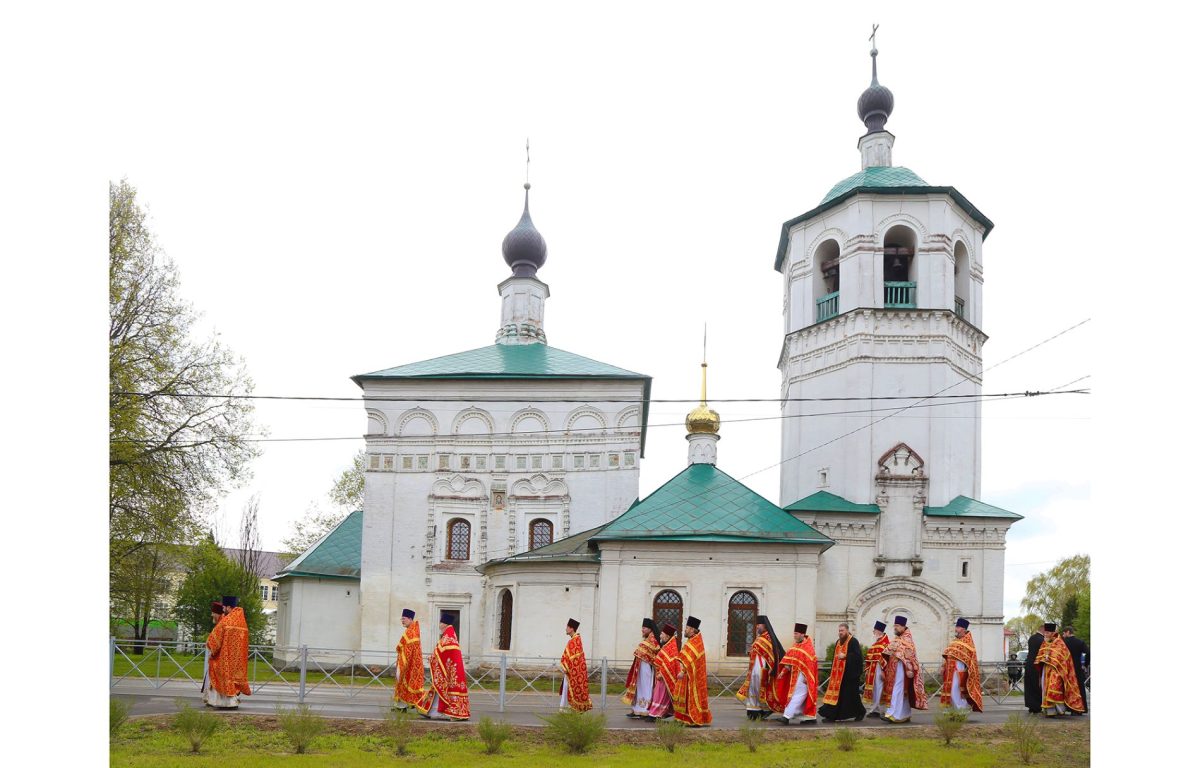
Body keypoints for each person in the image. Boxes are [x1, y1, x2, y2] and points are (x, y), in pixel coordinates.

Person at [414, 613, 470, 720]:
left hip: (448, 672)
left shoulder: (447, 638)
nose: (439, 625)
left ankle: (447, 713)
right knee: (439, 689)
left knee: (443, 688)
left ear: (444, 624)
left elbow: (441, 653)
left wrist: (433, 658)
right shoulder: (450, 636)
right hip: (452, 670)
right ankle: (432, 711)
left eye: (440, 623)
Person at [202, 596, 251, 709]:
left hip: (225, 657)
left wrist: (211, 649)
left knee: (219, 673)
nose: (223, 609)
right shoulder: (241, 621)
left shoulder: (226, 621)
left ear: (229, 607)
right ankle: (231, 701)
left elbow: (214, 641)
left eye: (224, 607)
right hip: (239, 659)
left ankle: (226, 703)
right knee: (233, 680)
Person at [736, 615, 785, 720]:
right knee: (752, 690)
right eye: (757, 625)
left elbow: (772, 655)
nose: (757, 626)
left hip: (762, 669)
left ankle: (762, 710)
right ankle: (753, 711)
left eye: (759, 625)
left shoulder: (768, 638)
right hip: (754, 669)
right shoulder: (760, 638)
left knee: (760, 690)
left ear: (765, 626)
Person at [881, 615, 927, 723]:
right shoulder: (898, 639)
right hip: (895, 668)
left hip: (902, 669)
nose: (895, 628)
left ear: (903, 626)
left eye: (897, 626)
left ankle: (893, 714)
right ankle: (905, 714)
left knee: (898, 690)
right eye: (894, 626)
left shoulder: (907, 639)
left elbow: (909, 655)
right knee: (901, 691)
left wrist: (909, 668)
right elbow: (888, 650)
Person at [1034, 622, 1085, 717]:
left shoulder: (1059, 642)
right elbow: (1040, 654)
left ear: (1053, 633)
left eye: (1048, 633)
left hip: (1057, 670)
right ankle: (1050, 712)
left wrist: (1051, 659)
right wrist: (1042, 659)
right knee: (1046, 689)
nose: (1046, 635)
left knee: (1054, 688)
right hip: (1046, 669)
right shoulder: (1044, 642)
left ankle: (1059, 710)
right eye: (1045, 633)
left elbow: (1062, 657)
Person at [819, 622, 866, 722]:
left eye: (842, 631)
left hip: (850, 676)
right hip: (838, 676)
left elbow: (858, 657)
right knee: (837, 696)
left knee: (852, 697)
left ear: (847, 631)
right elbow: (835, 658)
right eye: (839, 631)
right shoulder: (838, 642)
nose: (840, 633)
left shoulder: (853, 641)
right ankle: (831, 716)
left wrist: (845, 656)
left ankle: (860, 712)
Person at [772, 622, 818, 725]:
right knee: (799, 697)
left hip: (803, 678)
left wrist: (807, 678)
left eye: (796, 634)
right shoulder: (795, 646)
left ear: (802, 634)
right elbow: (789, 663)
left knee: (797, 696)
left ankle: (786, 716)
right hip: (794, 676)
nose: (794, 635)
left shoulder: (808, 648)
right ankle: (809, 718)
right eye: (794, 633)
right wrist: (783, 672)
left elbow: (810, 665)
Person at [674, 616, 712, 726]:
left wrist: (683, 671)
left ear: (692, 629)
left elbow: (691, 660)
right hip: (690, 674)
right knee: (686, 697)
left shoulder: (695, 641)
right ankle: (684, 718)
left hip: (692, 674)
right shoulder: (693, 640)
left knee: (692, 696)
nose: (685, 630)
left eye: (687, 628)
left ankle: (693, 719)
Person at [940, 618, 983, 714]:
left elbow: (970, 659)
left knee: (956, 690)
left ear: (963, 629)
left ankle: (961, 711)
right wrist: (943, 666)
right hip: (949, 670)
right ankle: (951, 711)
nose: (956, 629)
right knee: (949, 690)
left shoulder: (968, 642)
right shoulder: (955, 641)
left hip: (959, 670)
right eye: (956, 627)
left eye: (958, 627)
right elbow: (949, 655)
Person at [622, 618, 660, 719]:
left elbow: (655, 655)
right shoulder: (646, 640)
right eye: (642, 628)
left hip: (647, 669)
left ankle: (645, 710)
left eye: (644, 628)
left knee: (645, 689)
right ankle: (636, 710)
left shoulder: (653, 641)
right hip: (639, 669)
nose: (642, 630)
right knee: (638, 689)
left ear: (650, 629)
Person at [393, 608, 425, 711]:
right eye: (401, 619)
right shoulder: (411, 630)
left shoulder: (411, 632)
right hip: (409, 661)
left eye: (404, 618)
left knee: (403, 681)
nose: (402, 621)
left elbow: (407, 649)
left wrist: (402, 659)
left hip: (409, 663)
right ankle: (403, 706)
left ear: (410, 619)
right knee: (403, 683)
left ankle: (405, 706)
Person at [646, 623, 679, 720]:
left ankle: (655, 714)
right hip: (661, 675)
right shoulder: (667, 645)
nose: (660, 636)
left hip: (664, 676)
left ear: (667, 636)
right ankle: (662, 712)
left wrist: (662, 673)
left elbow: (671, 663)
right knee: (660, 695)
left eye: (662, 634)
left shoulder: (672, 647)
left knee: (660, 695)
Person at [559, 618, 593, 712]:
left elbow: (573, 658)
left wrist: (566, 666)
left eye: (567, 627)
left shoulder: (575, 640)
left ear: (571, 629)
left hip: (573, 671)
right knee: (567, 688)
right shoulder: (575, 639)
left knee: (569, 689)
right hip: (571, 670)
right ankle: (565, 708)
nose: (565, 629)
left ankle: (570, 708)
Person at [862, 620, 890, 718]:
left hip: (880, 670)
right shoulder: (876, 643)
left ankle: (880, 709)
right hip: (872, 671)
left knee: (880, 689)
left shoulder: (885, 643)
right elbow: (870, 658)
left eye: (874, 631)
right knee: (874, 689)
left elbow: (887, 659)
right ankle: (875, 709)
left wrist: (883, 671)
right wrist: (867, 670)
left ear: (879, 631)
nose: (873, 633)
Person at [1061, 626, 1089, 714]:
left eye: (1064, 633)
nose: (1063, 635)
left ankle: (1068, 708)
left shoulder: (1063, 643)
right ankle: (1080, 709)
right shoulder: (1080, 642)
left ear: (1068, 632)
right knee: (1080, 688)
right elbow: (1088, 652)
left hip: (1066, 669)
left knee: (1066, 688)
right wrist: (1085, 664)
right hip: (1077, 668)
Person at [1024, 627, 1044, 714]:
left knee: (1029, 686)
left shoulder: (1031, 638)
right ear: (1043, 630)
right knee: (1037, 686)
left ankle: (1031, 706)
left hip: (1029, 664)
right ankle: (1037, 706)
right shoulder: (1042, 640)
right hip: (1037, 665)